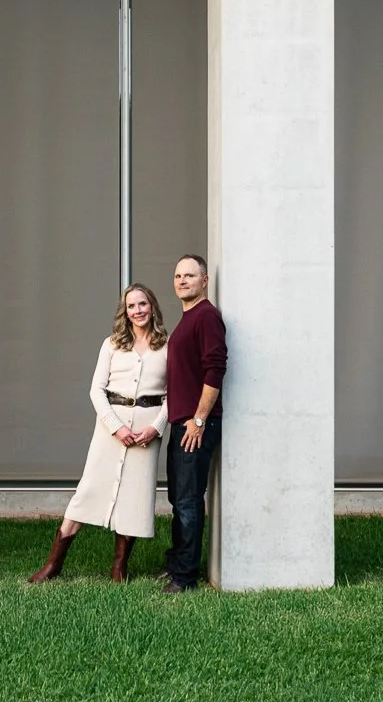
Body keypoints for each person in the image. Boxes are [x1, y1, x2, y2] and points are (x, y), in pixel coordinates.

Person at [28, 284, 169, 584]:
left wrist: (155, 428)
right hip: (110, 429)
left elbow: (174, 394)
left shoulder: (167, 346)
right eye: (132, 306)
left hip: (147, 431)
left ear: (152, 307)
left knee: (134, 496)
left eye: (143, 304)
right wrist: (116, 426)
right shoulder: (112, 344)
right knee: (89, 490)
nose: (138, 311)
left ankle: (119, 566)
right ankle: (54, 563)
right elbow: (96, 390)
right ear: (125, 312)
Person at [162, 254, 224, 593]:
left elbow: (215, 369)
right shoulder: (188, 319)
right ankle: (177, 563)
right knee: (178, 497)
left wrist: (199, 420)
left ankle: (185, 578)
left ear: (204, 281)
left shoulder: (207, 317)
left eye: (190, 275)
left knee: (188, 500)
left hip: (196, 425)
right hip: (181, 423)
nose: (182, 281)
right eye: (177, 275)